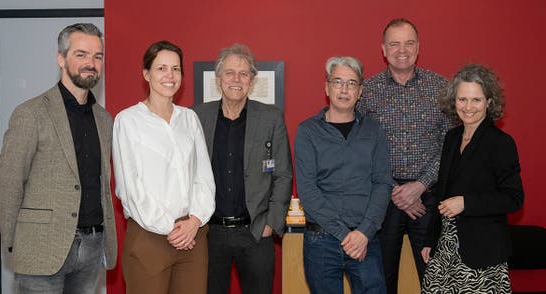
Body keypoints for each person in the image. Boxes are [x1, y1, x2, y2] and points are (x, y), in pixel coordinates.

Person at [0, 23, 117, 293]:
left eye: (98, 56)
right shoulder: (31, 113)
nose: (91, 63)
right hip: (40, 247)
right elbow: (8, 184)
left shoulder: (104, 120)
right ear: (61, 59)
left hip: (92, 246)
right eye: (81, 54)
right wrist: (16, 242)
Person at [357, 18, 453, 293]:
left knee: (434, 278)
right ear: (383, 50)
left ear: (418, 47)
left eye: (409, 43)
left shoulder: (441, 88)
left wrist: (420, 185)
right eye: (394, 43)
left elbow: (451, 146)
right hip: (382, 199)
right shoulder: (367, 91)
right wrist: (395, 191)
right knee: (380, 280)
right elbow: (360, 149)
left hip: (430, 199)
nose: (402, 49)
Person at [112, 40, 215, 293]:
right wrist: (171, 227)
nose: (170, 76)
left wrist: (194, 221)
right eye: (161, 68)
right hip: (150, 237)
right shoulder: (128, 121)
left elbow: (204, 177)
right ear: (146, 74)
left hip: (193, 236)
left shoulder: (189, 119)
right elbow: (129, 187)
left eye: (176, 69)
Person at [192, 44, 293, 294]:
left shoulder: (271, 117)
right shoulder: (196, 116)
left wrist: (272, 222)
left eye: (244, 73)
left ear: (252, 80)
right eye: (229, 73)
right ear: (218, 79)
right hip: (209, 234)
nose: (236, 79)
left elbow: (283, 174)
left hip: (256, 232)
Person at [421, 64, 524, 293]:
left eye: (476, 100)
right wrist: (431, 239)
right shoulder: (451, 137)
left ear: (489, 102)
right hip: (444, 248)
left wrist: (466, 202)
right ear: (453, 101)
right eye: (462, 99)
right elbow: (441, 193)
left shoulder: (501, 143)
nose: (468, 107)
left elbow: (513, 198)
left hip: (481, 253)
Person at [295, 56, 393, 294]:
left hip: (365, 238)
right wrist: (345, 235)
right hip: (321, 241)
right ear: (327, 87)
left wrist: (362, 233)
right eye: (337, 81)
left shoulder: (374, 130)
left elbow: (382, 184)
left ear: (360, 91)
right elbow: (308, 191)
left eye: (351, 83)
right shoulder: (307, 131)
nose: (344, 89)